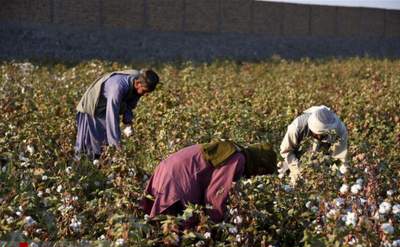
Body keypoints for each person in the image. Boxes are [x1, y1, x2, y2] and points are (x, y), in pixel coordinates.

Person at [140, 140, 277, 222]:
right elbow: (215, 195)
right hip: (179, 179)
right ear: (259, 164)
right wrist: (214, 225)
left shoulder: (234, 149)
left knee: (161, 226)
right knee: (174, 232)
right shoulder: (238, 159)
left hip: (166, 169)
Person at [74, 68, 159, 159]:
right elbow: (112, 118)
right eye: (145, 91)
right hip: (92, 107)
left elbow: (130, 104)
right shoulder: (117, 87)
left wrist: (128, 121)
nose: (145, 95)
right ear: (138, 83)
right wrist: (116, 145)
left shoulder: (138, 80)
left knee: (103, 147)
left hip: (105, 106)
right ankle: (81, 166)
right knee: (91, 148)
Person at [279, 105, 349, 186]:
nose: (321, 137)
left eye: (325, 135)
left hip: (322, 160)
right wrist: (298, 170)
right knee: (296, 184)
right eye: (319, 135)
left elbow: (340, 157)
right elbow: (286, 151)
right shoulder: (297, 127)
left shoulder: (339, 129)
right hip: (298, 158)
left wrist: (334, 175)